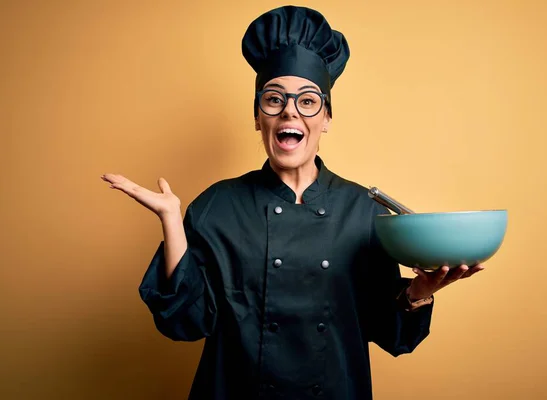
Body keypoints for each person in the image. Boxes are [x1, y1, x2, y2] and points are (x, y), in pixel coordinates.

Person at [101, 6, 483, 400]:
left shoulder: (365, 211)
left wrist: (420, 291)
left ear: (327, 118)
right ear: (257, 118)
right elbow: (186, 322)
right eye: (273, 99)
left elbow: (388, 332)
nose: (289, 110)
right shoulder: (217, 206)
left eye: (307, 101)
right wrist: (171, 222)